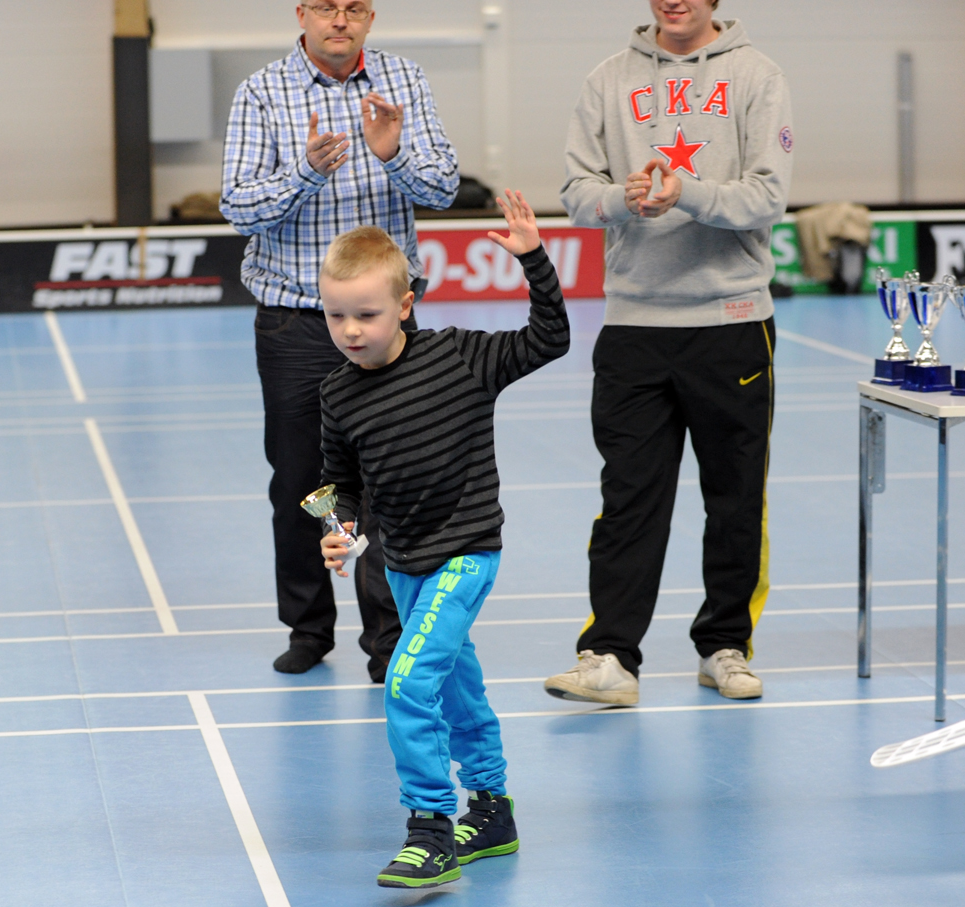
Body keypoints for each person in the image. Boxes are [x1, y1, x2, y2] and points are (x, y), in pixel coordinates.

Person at [315, 193, 569, 887]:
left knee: (406, 681)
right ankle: (490, 811)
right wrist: (338, 534)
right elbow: (342, 484)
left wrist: (531, 261)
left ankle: (430, 826)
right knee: (458, 687)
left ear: (404, 303)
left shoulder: (459, 357)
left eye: (365, 314)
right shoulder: (337, 394)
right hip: (402, 563)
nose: (350, 330)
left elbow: (549, 340)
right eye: (335, 315)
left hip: (466, 553)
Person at [547, 0, 793, 705]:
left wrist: (685, 191)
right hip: (632, 326)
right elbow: (575, 192)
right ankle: (609, 656)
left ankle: (725, 645)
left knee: (735, 495)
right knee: (627, 496)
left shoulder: (756, 75)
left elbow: (767, 197)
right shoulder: (606, 79)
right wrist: (622, 201)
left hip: (732, 319)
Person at [220, 1, 459, 679]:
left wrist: (394, 155)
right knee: (302, 484)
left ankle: (388, 641)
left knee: (390, 484)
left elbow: (441, 189)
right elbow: (236, 205)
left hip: (387, 327)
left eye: (354, 7)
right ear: (302, 13)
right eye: (326, 6)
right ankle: (307, 626)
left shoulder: (404, 81)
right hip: (296, 322)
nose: (340, 19)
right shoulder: (262, 92)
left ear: (370, 17)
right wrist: (304, 173)